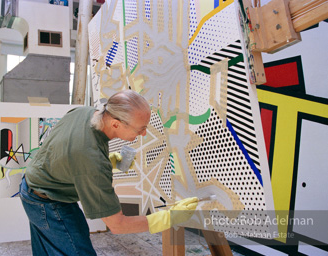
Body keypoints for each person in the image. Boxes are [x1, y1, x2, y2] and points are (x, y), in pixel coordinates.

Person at [19, 90, 198, 255]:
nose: (143, 134)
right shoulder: (92, 161)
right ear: (116, 124)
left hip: (33, 184)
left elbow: (62, 147)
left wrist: (104, 161)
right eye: (140, 129)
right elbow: (117, 225)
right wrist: (168, 217)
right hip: (46, 201)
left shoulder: (83, 113)